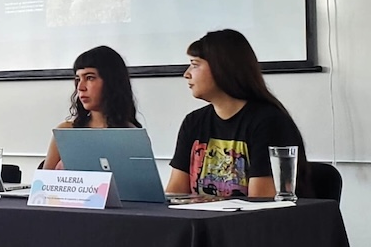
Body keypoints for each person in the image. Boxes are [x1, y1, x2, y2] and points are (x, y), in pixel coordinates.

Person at [165, 29, 308, 199]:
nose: (186, 74)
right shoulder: (193, 122)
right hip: (203, 216)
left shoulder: (269, 122)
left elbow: (261, 203)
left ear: (221, 68)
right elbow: (175, 195)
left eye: (195, 65)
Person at [43, 45, 141, 170]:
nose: (80, 87)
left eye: (90, 78)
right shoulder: (65, 131)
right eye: (78, 79)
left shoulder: (131, 136)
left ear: (111, 82)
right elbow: (43, 181)